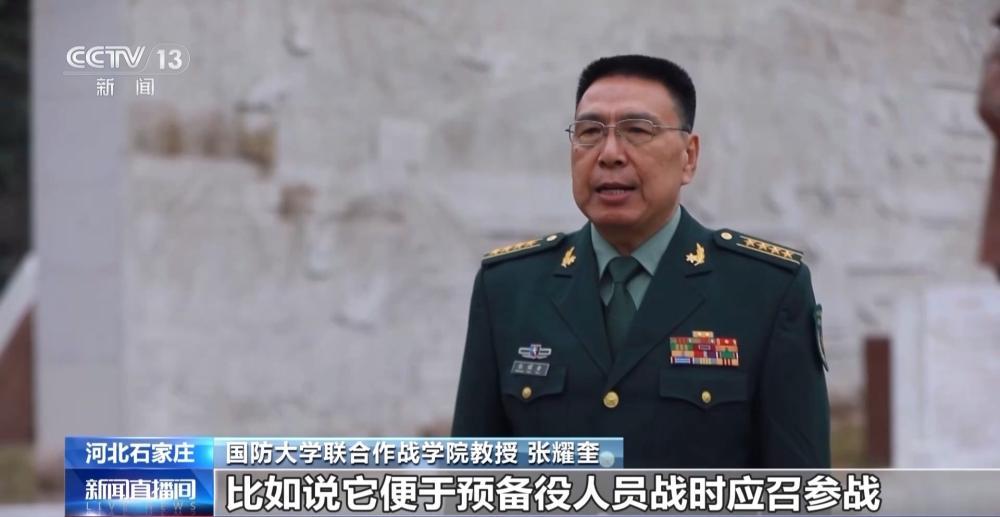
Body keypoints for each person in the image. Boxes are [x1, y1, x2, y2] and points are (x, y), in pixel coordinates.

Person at [451, 54, 830, 468]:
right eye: (590, 132)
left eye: (637, 131)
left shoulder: (765, 289)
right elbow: (471, 479)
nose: (610, 154)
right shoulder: (509, 287)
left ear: (688, 157)